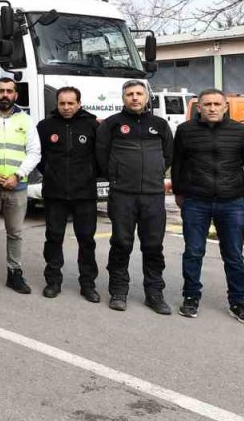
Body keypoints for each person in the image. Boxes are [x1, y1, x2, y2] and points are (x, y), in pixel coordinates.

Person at [172, 88, 244, 324]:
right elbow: (177, 163)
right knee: (193, 252)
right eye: (207, 104)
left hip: (231, 202)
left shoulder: (240, 132)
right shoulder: (185, 131)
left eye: (216, 104)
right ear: (198, 107)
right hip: (196, 201)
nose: (212, 108)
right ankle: (191, 297)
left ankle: (238, 302)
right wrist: (180, 192)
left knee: (233, 255)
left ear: (225, 106)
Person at [96, 80, 174, 314]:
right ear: (123, 98)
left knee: (153, 246)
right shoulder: (111, 125)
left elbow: (168, 156)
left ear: (147, 97)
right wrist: (117, 177)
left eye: (139, 93)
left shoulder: (160, 124)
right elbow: (101, 156)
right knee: (121, 243)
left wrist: (155, 174)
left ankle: (154, 293)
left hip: (152, 196)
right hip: (122, 195)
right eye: (129, 94)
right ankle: (118, 291)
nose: (134, 98)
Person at [34, 86, 101, 302]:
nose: (66, 107)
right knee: (53, 238)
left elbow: (100, 156)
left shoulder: (92, 125)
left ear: (79, 103)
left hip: (85, 194)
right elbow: (39, 157)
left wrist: (89, 175)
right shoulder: (45, 127)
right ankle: (53, 281)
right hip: (55, 193)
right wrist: (52, 174)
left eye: (71, 103)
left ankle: (88, 284)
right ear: (57, 104)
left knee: (86, 240)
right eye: (62, 103)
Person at [0, 77, 40, 294]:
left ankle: (15, 274)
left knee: (15, 232)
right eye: (1, 91)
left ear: (16, 95)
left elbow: (34, 152)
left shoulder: (26, 119)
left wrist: (18, 175)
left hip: (17, 186)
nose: (5, 95)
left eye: (9, 91)